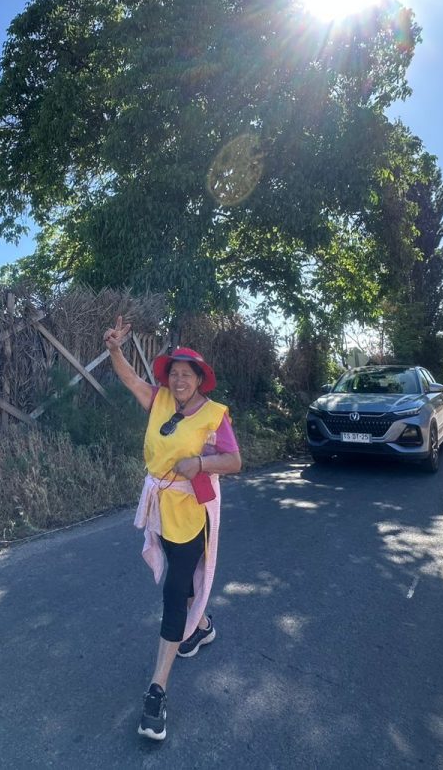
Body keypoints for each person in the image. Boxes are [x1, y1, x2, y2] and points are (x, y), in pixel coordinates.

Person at [103, 317, 243, 742]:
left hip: (190, 514)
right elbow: (130, 380)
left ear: (200, 380)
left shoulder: (215, 415)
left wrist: (200, 462)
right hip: (161, 509)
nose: (179, 379)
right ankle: (200, 627)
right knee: (177, 580)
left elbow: (234, 462)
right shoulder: (160, 400)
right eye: (174, 373)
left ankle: (156, 692)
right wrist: (114, 351)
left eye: (187, 374)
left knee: (172, 592)